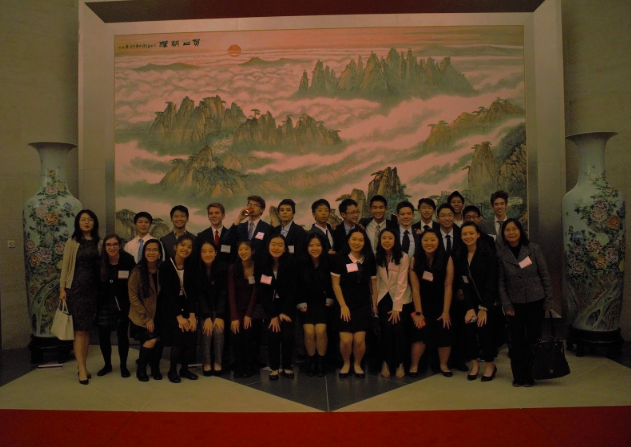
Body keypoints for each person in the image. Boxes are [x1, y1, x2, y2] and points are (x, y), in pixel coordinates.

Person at [497, 218, 554, 387]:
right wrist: (506, 305)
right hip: (514, 304)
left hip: (536, 300)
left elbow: (544, 274)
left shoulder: (533, 248)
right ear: (503, 234)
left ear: (521, 231)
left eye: (514, 229)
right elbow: (501, 283)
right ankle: (518, 375)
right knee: (516, 341)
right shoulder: (501, 254)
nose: (511, 232)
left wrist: (549, 299)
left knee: (533, 339)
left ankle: (531, 374)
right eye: (507, 230)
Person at [59, 210, 102, 385]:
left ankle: (81, 364)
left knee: (86, 329)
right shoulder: (73, 242)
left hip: (93, 291)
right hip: (75, 289)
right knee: (79, 330)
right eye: (83, 219)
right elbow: (65, 266)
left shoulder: (99, 242)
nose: (86, 222)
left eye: (90, 219)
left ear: (94, 222)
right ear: (78, 222)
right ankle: (82, 368)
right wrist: (62, 289)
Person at [331, 228, 377, 378]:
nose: (357, 243)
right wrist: (343, 306)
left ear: (365, 242)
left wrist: (374, 304)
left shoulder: (369, 259)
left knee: (359, 340)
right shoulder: (340, 258)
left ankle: (357, 363)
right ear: (348, 240)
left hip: (362, 304)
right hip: (344, 304)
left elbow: (373, 284)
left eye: (361, 240)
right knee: (346, 340)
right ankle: (346, 363)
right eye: (354, 239)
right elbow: (335, 284)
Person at [408, 229, 454, 377]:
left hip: (442, 302)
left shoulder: (447, 258)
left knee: (444, 330)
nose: (429, 243)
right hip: (422, 303)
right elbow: (415, 288)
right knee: (420, 333)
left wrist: (446, 311)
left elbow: (448, 286)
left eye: (432, 240)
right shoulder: (415, 259)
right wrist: (419, 313)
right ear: (420, 243)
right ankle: (414, 366)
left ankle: (443, 365)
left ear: (438, 241)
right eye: (425, 240)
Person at [455, 222, 498, 382]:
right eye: (464, 234)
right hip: (469, 305)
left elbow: (491, 284)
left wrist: (483, 308)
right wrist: (469, 308)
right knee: (470, 334)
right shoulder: (460, 256)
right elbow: (463, 284)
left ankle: (490, 365)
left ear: (478, 234)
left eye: (471, 233)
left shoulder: (488, 255)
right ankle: (474, 364)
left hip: (487, 304)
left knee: (485, 333)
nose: (468, 237)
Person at [257, 235, 297, 380]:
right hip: (270, 307)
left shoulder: (291, 263)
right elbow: (262, 292)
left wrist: (284, 312)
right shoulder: (261, 264)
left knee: (287, 336)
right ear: (268, 246)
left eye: (280, 245)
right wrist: (273, 314)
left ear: (285, 248)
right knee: (273, 335)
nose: (276, 247)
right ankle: (274, 367)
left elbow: (293, 290)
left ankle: (287, 366)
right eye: (273, 244)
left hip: (287, 306)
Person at [159, 234, 198, 383]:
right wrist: (179, 317)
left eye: (189, 247)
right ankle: (172, 370)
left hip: (187, 305)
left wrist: (192, 315)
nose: (185, 249)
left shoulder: (191, 266)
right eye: (182, 245)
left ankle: (185, 369)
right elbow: (168, 294)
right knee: (178, 337)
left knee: (191, 335)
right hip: (170, 308)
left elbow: (193, 292)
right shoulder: (165, 266)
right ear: (175, 247)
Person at [96, 234, 136, 378]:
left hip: (123, 304)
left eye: (114, 244)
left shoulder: (128, 260)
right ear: (104, 247)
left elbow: (134, 282)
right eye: (108, 245)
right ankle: (107, 365)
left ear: (119, 246)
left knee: (122, 336)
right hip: (104, 304)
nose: (112, 247)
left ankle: (124, 366)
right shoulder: (99, 262)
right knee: (104, 337)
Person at [374, 228, 411, 379]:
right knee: (386, 329)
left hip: (401, 298)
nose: (387, 241)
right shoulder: (378, 256)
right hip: (383, 297)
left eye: (390, 238)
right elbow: (375, 281)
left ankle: (400, 363)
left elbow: (402, 283)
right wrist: (374, 303)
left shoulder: (402, 256)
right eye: (384, 238)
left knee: (398, 329)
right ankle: (386, 362)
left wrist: (397, 308)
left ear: (395, 240)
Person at [297, 232, 334, 377]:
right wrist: (300, 303)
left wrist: (330, 299)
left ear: (323, 246)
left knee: (320, 331)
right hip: (305, 303)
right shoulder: (300, 262)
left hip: (324, 303)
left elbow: (334, 285)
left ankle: (321, 362)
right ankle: (311, 362)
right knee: (309, 332)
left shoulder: (329, 261)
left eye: (318, 245)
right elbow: (297, 286)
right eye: (311, 245)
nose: (314, 248)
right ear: (306, 247)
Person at [128, 239, 164, 382]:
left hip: (160, 313)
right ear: (144, 252)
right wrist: (147, 317)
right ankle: (141, 368)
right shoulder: (137, 271)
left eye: (155, 250)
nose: (151, 252)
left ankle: (155, 367)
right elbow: (133, 296)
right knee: (151, 340)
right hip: (142, 315)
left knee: (160, 340)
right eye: (148, 250)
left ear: (160, 253)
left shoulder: (163, 268)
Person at [197, 240, 228, 376]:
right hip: (204, 309)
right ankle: (207, 362)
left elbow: (223, 293)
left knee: (218, 329)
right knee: (206, 329)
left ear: (216, 253)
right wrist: (207, 316)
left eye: (210, 251)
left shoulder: (222, 268)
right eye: (204, 251)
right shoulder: (197, 269)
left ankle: (218, 362)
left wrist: (220, 316)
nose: (207, 254)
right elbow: (200, 294)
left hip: (220, 308)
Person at [229, 241, 258, 378]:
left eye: (246, 249)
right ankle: (239, 365)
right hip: (236, 309)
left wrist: (248, 314)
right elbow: (231, 293)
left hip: (251, 310)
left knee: (249, 336)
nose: (243, 252)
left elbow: (255, 293)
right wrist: (234, 317)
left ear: (252, 251)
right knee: (236, 335)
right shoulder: (233, 268)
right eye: (240, 249)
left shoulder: (257, 267)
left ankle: (249, 366)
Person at [230, 195, 273, 262]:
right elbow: (227, 240)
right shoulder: (240, 226)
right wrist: (239, 219)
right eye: (249, 204)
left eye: (255, 205)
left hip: (259, 266)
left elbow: (268, 251)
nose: (252, 207)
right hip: (241, 265)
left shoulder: (267, 228)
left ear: (262, 209)